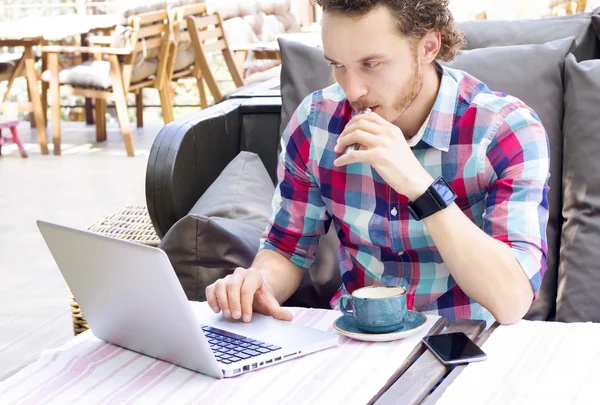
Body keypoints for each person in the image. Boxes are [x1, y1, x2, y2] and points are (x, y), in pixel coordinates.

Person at [205, 0, 550, 326]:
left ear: (428, 47)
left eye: (371, 64)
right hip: (355, 342)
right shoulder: (315, 123)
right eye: (337, 65)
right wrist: (257, 283)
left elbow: (512, 299)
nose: (352, 91)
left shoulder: (505, 130)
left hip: (466, 343)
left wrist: (421, 188)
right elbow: (285, 248)